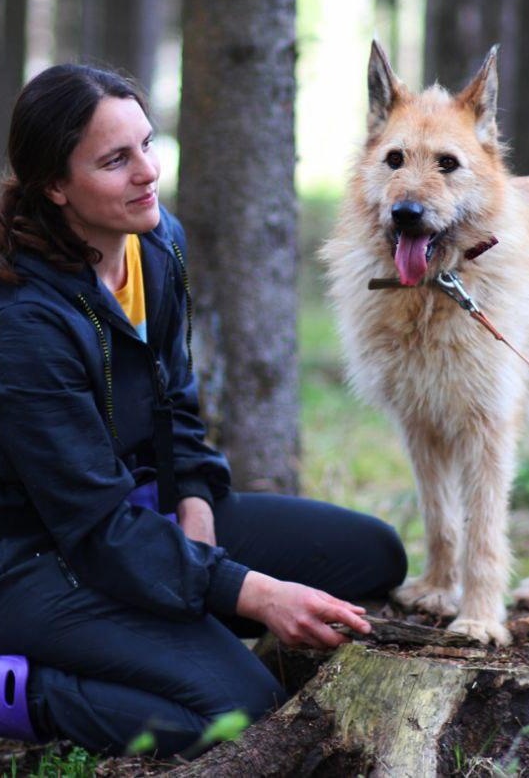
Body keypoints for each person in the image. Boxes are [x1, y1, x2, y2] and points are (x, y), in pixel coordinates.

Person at [0, 64, 407, 757]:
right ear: (55, 186)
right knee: (239, 711)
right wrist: (251, 592)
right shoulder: (25, 323)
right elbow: (93, 526)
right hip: (39, 558)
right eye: (115, 159)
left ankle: (172, 624)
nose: (147, 172)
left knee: (375, 556)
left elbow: (175, 404)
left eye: (147, 144)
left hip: (139, 518)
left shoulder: (156, 247)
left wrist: (194, 496)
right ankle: (27, 692)